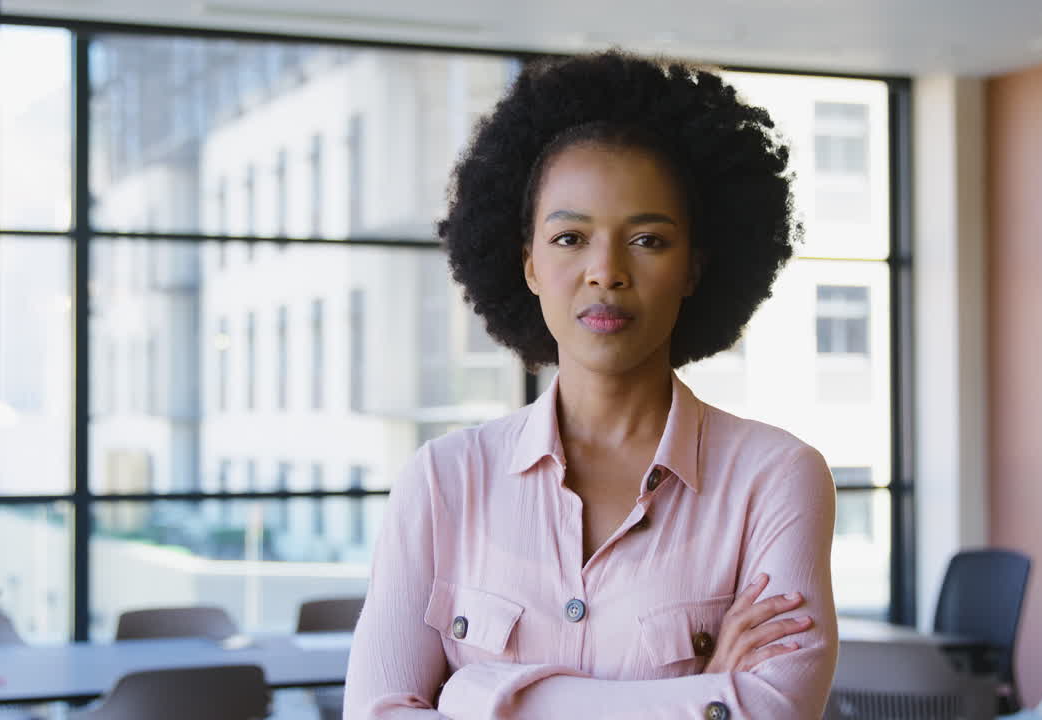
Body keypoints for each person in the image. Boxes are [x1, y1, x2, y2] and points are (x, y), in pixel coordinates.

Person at [344, 51, 838, 719]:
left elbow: (775, 709)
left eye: (648, 240)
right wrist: (705, 699)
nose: (606, 271)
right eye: (570, 238)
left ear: (694, 268)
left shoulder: (775, 477)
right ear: (528, 264)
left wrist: (475, 696)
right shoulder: (441, 482)